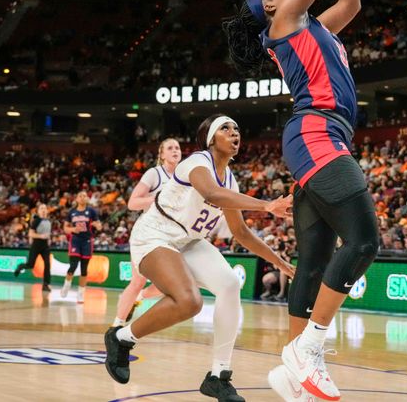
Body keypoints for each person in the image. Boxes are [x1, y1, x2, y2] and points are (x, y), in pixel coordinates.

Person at [222, 0, 378, 399]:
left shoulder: (313, 26)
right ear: (269, 6)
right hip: (316, 132)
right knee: (364, 239)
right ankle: (311, 345)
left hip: (316, 136)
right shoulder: (285, 20)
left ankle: (292, 373)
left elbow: (350, 2)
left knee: (313, 260)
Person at [103, 115, 294, 402]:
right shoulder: (196, 162)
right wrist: (267, 205)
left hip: (189, 240)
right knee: (189, 301)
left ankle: (219, 375)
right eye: (225, 129)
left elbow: (240, 231)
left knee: (230, 284)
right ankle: (121, 337)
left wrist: (280, 263)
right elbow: (211, 193)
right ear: (210, 139)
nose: (234, 133)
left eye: (237, 129)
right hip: (155, 234)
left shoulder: (230, 179)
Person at [112, 138, 181, 327]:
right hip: (147, 232)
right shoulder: (155, 174)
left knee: (168, 285)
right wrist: (157, 198)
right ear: (162, 154)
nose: (175, 150)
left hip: (170, 236)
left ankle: (139, 298)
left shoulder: (185, 177)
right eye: (170, 148)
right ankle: (116, 326)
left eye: (177, 147)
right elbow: (132, 203)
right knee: (138, 281)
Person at [60, 191, 102, 304]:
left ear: (87, 199)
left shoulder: (91, 211)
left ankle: (80, 294)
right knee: (73, 266)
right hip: (75, 241)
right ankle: (66, 285)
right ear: (76, 199)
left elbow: (99, 226)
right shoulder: (72, 212)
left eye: (84, 196)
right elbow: (65, 228)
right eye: (80, 196)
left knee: (84, 269)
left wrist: (96, 225)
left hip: (87, 241)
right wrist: (72, 230)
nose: (82, 198)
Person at [14, 203, 53, 292]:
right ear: (38, 211)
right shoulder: (36, 221)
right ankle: (20, 266)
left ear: (47, 211)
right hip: (36, 245)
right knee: (30, 265)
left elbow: (48, 234)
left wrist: (48, 239)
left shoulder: (48, 222)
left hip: (45, 246)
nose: (43, 210)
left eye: (45, 208)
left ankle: (46, 285)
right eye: (41, 209)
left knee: (47, 264)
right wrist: (41, 236)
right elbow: (30, 234)